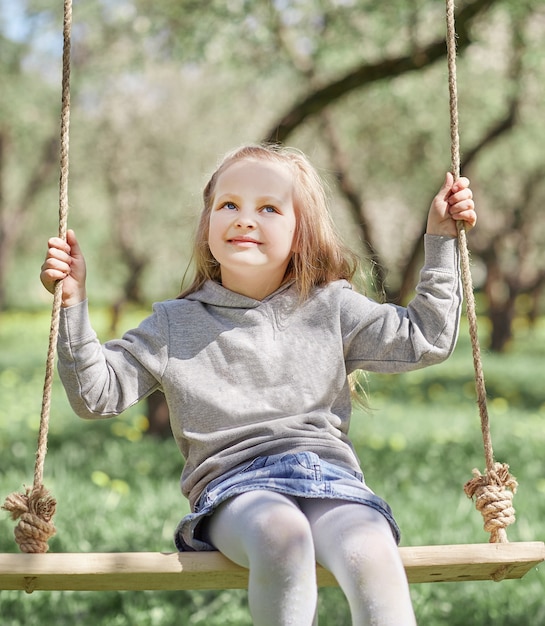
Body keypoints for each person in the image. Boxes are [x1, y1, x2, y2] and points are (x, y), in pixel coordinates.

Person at [41, 143, 476, 626]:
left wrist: (440, 240)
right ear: (207, 225)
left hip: (331, 480)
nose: (245, 219)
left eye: (269, 208)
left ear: (300, 234)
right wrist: (73, 305)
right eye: (229, 205)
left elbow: (426, 337)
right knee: (280, 535)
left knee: (371, 547)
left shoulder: (331, 307)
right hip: (235, 490)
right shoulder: (174, 325)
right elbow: (96, 395)